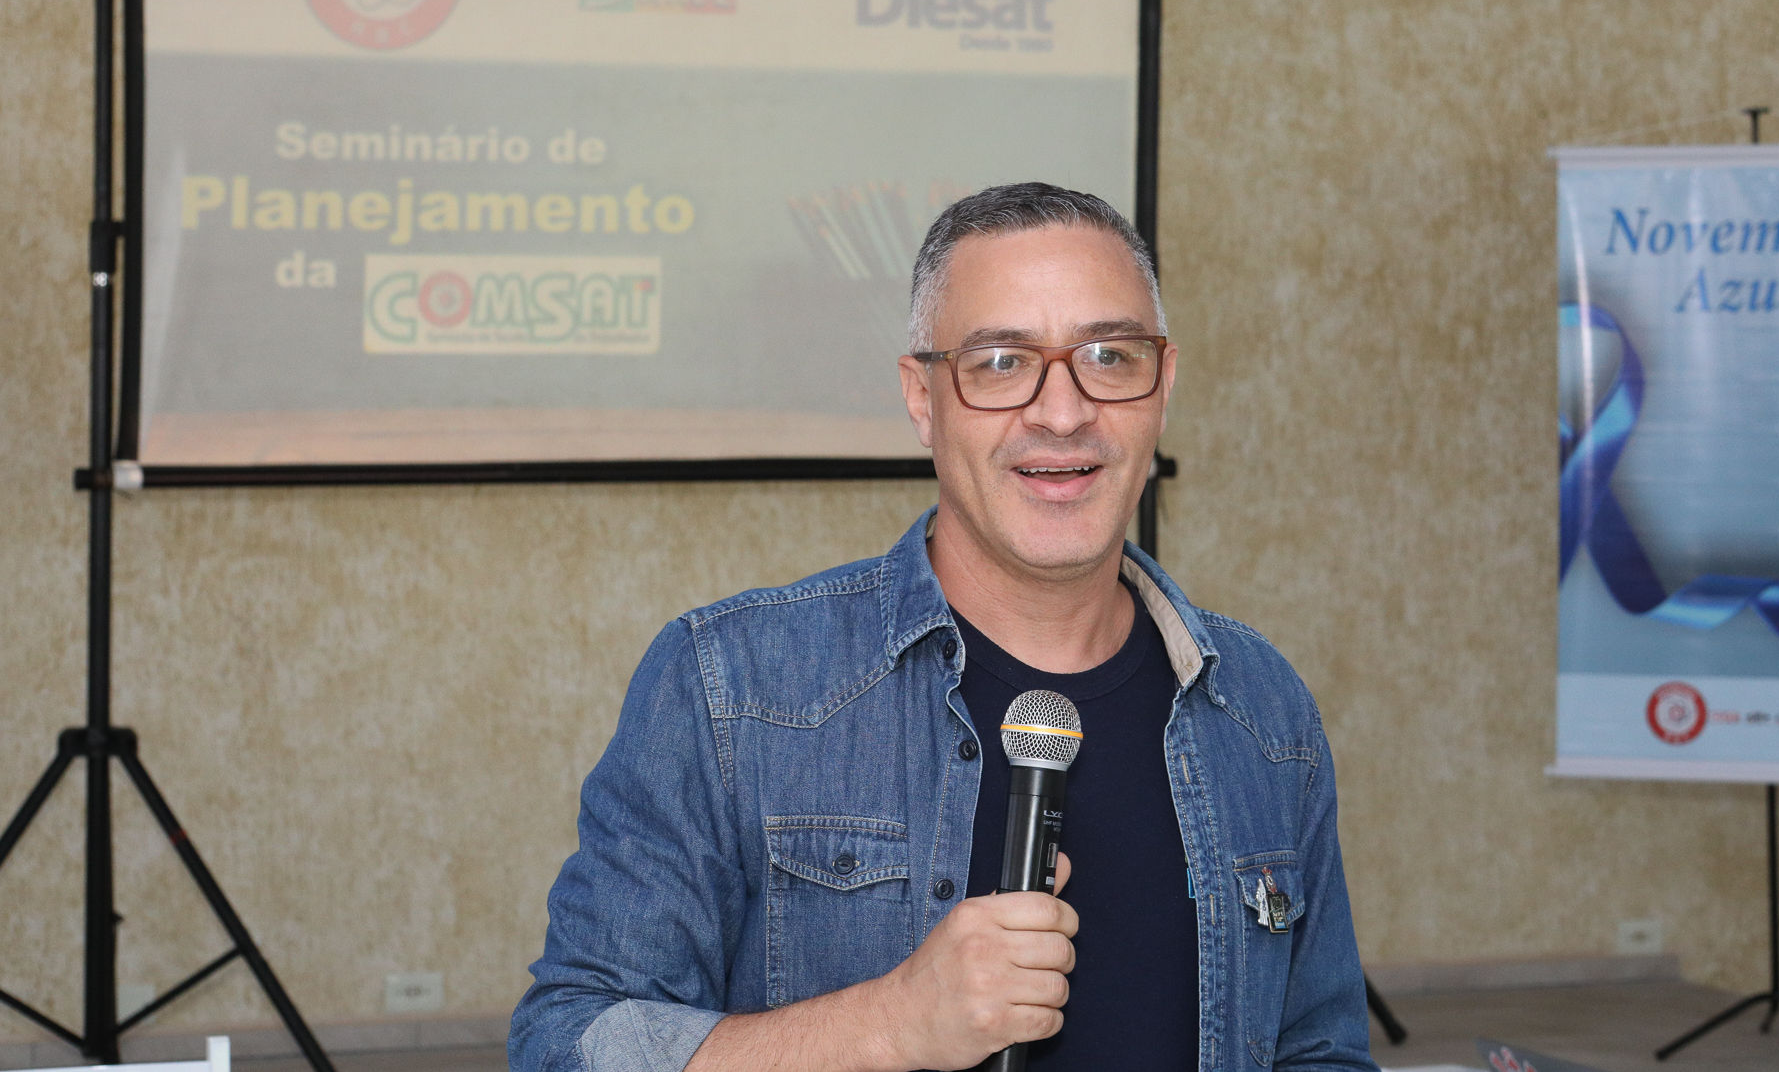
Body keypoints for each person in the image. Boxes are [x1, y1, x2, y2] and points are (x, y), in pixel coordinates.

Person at [510, 183, 1376, 1072]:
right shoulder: (732, 687)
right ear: (921, 398)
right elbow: (567, 1044)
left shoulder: (1262, 710)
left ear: (1163, 386)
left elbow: (1322, 1049)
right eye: (1001, 363)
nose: (1063, 410)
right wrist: (889, 1024)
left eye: (1108, 356)